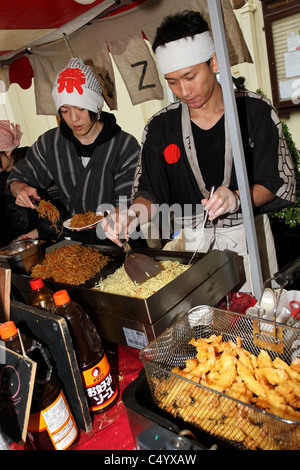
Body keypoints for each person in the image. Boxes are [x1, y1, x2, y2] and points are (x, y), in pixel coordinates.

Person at [102, 10, 296, 293]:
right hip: (192, 243)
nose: (183, 91)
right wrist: (130, 216)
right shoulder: (160, 127)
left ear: (214, 62)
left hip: (249, 238)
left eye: (190, 76)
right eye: (172, 81)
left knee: (258, 319)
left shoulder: (255, 111)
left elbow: (276, 182)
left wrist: (236, 198)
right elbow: (150, 193)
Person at [7, 58, 141, 245]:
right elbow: (19, 176)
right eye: (64, 110)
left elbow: (128, 198)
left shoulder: (124, 145)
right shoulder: (50, 143)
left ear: (97, 105)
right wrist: (19, 188)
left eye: (81, 108)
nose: (74, 118)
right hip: (78, 242)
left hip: (121, 237)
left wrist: (115, 219)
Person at [0, 121, 38, 247]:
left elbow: (54, 210)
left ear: (7, 151)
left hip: (43, 239)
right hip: (14, 246)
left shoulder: (33, 161)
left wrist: (27, 238)